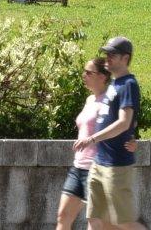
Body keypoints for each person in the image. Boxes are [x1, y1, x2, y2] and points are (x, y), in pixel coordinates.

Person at [57, 55, 135, 230]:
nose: (84, 75)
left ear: (102, 76)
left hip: (97, 168)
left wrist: (132, 140)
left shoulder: (110, 99)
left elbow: (125, 124)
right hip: (78, 167)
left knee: (99, 225)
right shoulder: (90, 100)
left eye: (88, 72)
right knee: (63, 217)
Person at [74, 37, 144, 230]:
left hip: (116, 165)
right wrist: (132, 135)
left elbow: (124, 122)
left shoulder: (128, 84)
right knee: (96, 220)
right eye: (107, 53)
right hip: (99, 161)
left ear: (125, 58)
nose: (108, 57)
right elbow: (128, 121)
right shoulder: (114, 84)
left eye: (112, 54)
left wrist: (92, 139)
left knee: (124, 222)